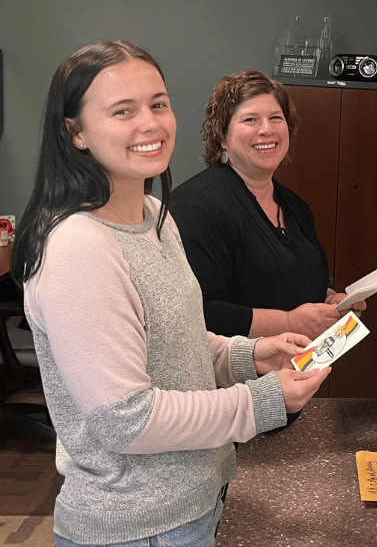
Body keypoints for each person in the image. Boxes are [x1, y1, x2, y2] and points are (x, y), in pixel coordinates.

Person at [12, 42, 329, 546]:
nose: (150, 124)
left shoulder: (156, 219)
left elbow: (173, 341)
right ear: (75, 132)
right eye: (122, 111)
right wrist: (260, 402)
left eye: (158, 104)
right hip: (136, 528)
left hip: (193, 502)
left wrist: (247, 356)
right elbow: (126, 419)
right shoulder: (77, 246)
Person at [169, 70, 363, 339]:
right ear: (222, 136)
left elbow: (292, 279)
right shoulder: (196, 206)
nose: (267, 130)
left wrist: (329, 304)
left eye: (276, 118)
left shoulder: (295, 206)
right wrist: (289, 322)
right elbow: (198, 312)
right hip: (232, 376)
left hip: (294, 373)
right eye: (250, 120)